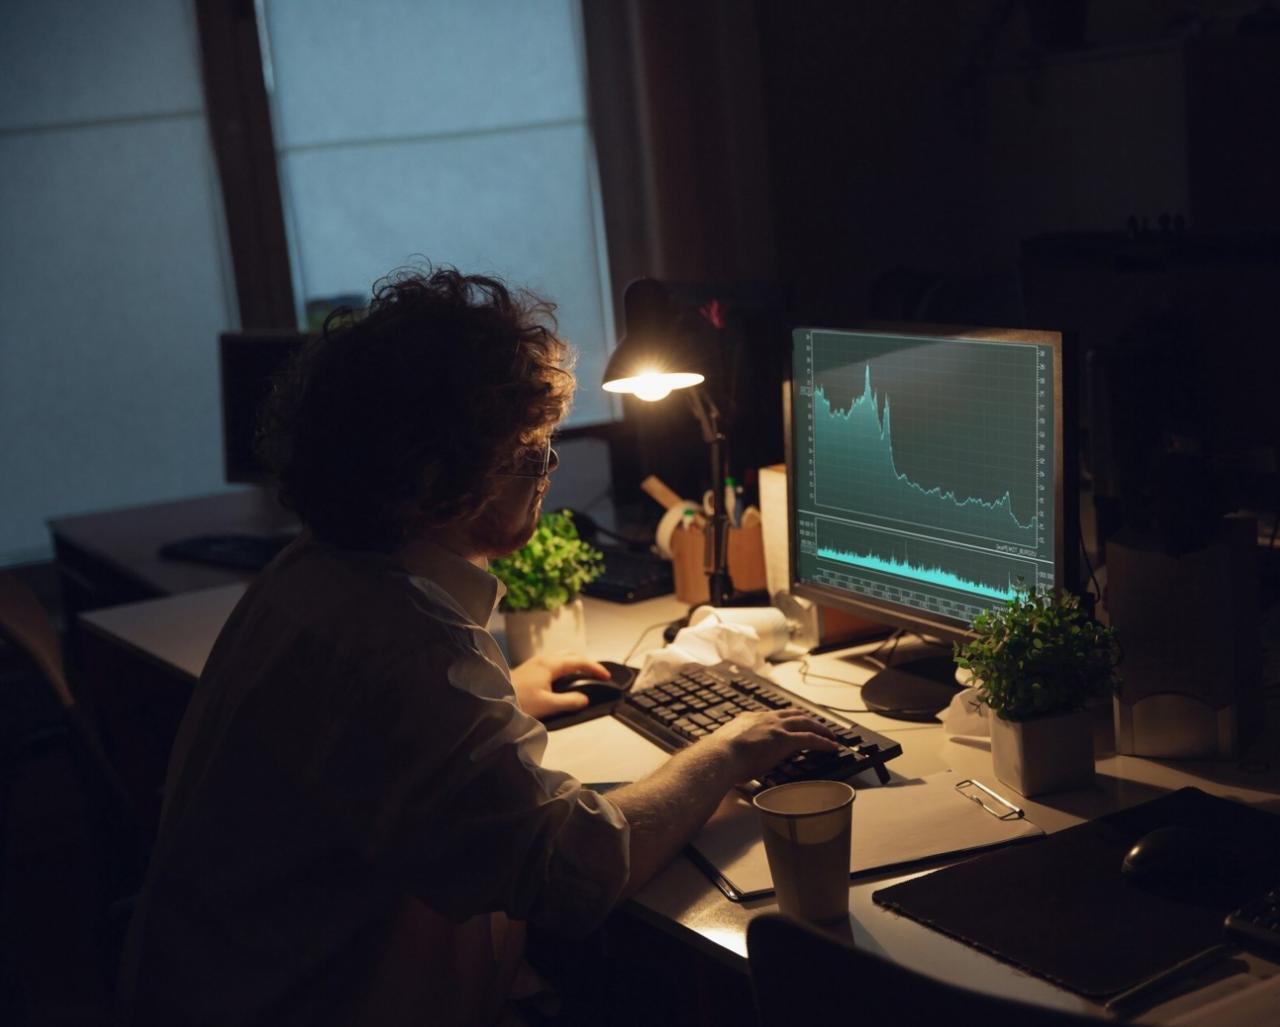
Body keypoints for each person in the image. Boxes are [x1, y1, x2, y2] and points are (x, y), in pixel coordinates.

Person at [119, 268, 837, 1026]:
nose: (550, 469)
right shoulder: (407, 650)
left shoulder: (309, 574)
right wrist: (725, 750)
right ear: (432, 480)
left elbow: (378, 749)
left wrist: (499, 696)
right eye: (527, 452)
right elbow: (572, 873)